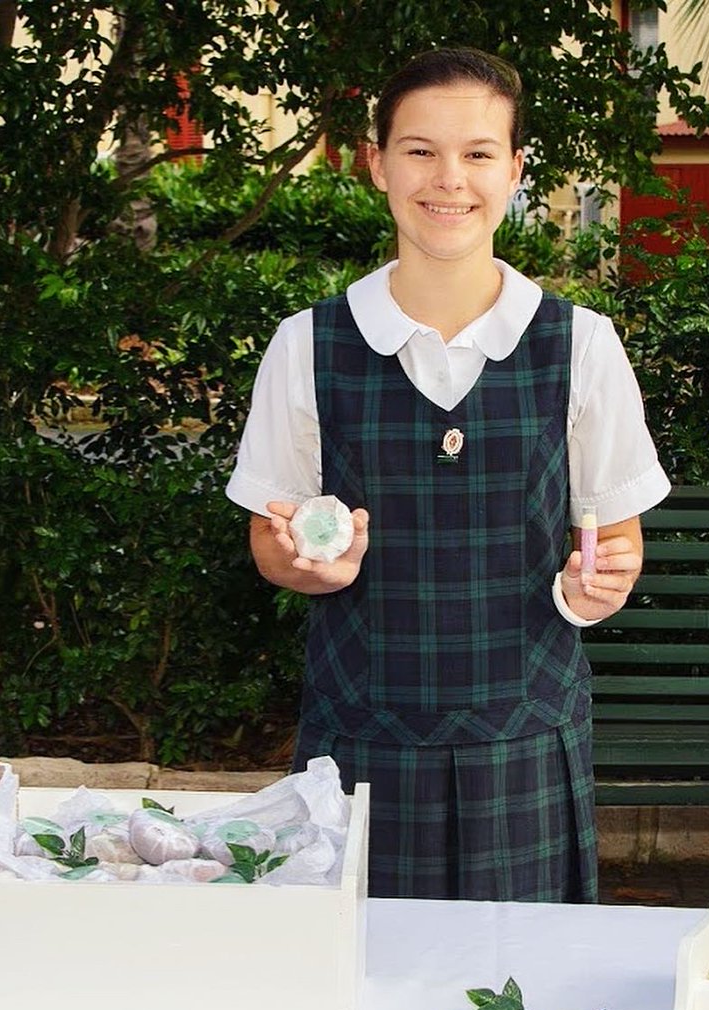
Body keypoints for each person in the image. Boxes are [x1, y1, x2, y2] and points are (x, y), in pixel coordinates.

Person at [226, 47, 670, 902]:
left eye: (477, 153)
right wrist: (309, 561)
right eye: (420, 150)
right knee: (361, 1002)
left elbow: (613, 540)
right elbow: (269, 542)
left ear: (515, 169)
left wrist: (600, 585)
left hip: (525, 741)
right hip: (360, 739)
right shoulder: (307, 345)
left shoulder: (579, 345)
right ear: (376, 164)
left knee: (526, 1007)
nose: (448, 180)